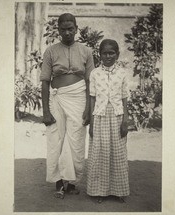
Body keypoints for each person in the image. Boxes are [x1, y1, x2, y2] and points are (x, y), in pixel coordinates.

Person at [40, 13, 95, 199]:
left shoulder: (86, 51)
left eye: (70, 28)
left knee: (76, 140)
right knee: (56, 139)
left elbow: (90, 82)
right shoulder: (50, 51)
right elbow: (45, 82)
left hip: (79, 99)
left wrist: (89, 109)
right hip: (57, 99)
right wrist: (45, 111)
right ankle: (58, 182)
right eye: (63, 29)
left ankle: (70, 183)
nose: (67, 32)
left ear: (76, 29)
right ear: (58, 30)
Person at [87, 39, 130, 203]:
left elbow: (125, 98)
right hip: (100, 116)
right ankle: (100, 191)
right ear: (100, 54)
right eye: (105, 53)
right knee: (101, 153)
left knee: (118, 153)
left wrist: (125, 119)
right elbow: (92, 98)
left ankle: (118, 191)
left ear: (117, 54)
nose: (108, 56)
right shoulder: (95, 73)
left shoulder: (122, 73)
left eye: (111, 53)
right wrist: (91, 123)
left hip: (117, 116)